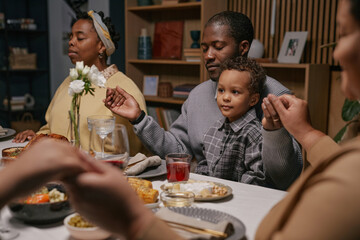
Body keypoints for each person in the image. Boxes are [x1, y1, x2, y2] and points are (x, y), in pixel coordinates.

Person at [104, 11, 302, 190]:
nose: (208, 56)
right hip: (209, 193)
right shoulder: (198, 95)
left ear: (243, 47)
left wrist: (275, 132)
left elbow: (287, 177)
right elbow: (180, 153)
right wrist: (139, 118)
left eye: (218, 47)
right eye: (204, 48)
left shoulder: (276, 97)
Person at [12, 10, 146, 156]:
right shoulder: (68, 82)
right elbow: (51, 128)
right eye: (71, 36)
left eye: (80, 38)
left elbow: (132, 147)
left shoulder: (124, 88)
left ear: (101, 46)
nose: (71, 41)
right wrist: (37, 137)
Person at [197, 56, 267, 185]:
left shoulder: (253, 133)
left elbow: (255, 176)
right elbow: (205, 163)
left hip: (239, 200)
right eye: (221, 90)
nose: (225, 97)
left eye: (235, 92)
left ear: (253, 100)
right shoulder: (214, 129)